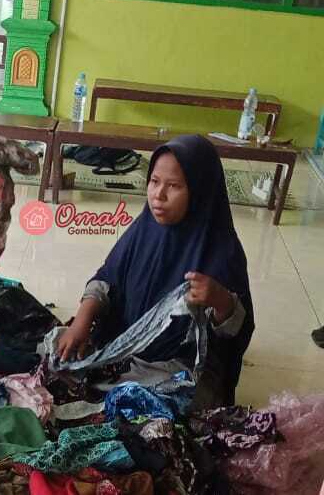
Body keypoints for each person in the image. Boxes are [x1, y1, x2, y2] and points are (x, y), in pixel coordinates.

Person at [57, 134, 255, 406]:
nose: (158, 195)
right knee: (57, 355)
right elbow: (107, 277)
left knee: (177, 407)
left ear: (200, 190)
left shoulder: (222, 250)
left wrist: (221, 301)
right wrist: (81, 321)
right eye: (154, 181)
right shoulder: (144, 229)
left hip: (177, 367)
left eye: (173, 186)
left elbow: (234, 334)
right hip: (121, 348)